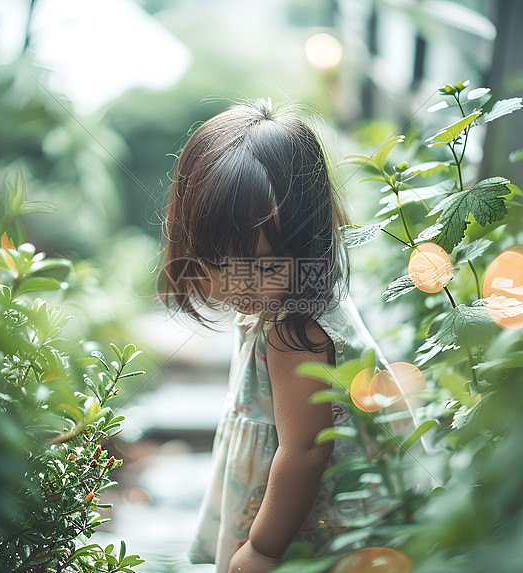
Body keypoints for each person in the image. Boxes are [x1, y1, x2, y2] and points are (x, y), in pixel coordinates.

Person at [158, 99, 420, 573]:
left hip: (316, 524)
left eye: (268, 266)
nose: (241, 285)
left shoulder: (295, 334)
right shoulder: (288, 303)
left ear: (310, 244)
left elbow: (305, 450)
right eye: (219, 264)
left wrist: (263, 549)